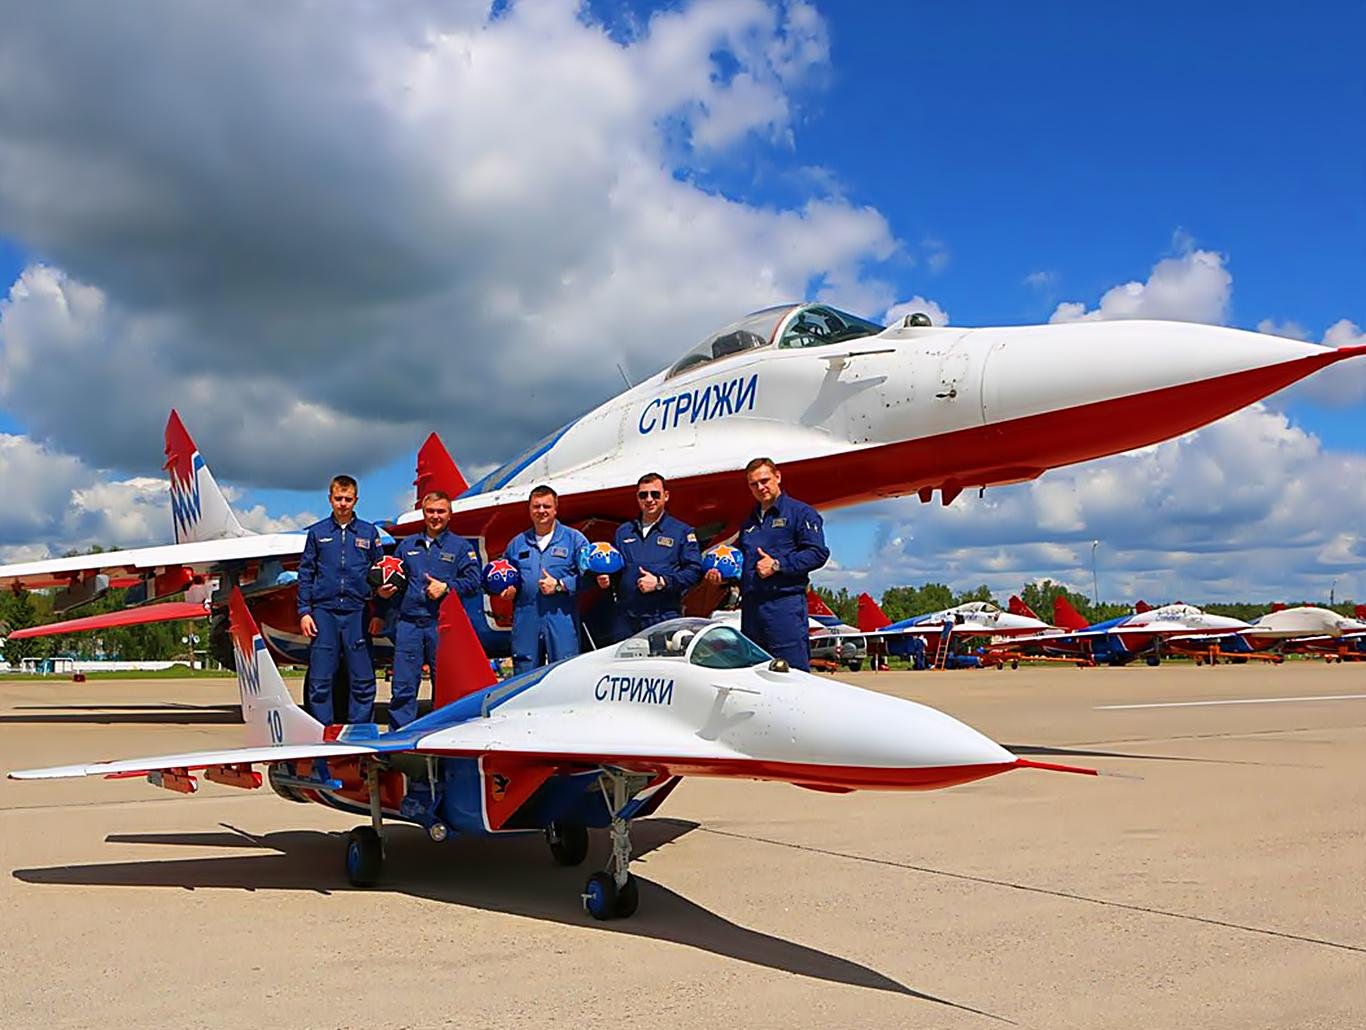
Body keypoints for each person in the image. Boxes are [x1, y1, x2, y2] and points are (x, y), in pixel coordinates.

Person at [706, 457, 829, 671]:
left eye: (765, 480)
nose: (760, 487)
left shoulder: (801, 513)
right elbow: (739, 563)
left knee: (791, 673)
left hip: (783, 607)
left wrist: (777, 565)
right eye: (754, 484)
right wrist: (722, 577)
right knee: (755, 673)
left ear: (778, 477)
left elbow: (817, 553)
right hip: (751, 610)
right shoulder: (750, 523)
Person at [372, 491, 481, 729]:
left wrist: (446, 587)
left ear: (449, 515)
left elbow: (474, 582)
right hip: (409, 624)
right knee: (403, 686)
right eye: (430, 511)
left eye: (441, 511)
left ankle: (443, 736)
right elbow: (395, 582)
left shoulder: (460, 547)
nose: (435, 516)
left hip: (441, 625)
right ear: (423, 513)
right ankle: (400, 738)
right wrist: (383, 596)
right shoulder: (407, 546)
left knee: (445, 685)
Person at [297, 475, 384, 724]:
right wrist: (304, 611)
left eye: (348, 499)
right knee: (320, 679)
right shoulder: (317, 533)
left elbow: (381, 574)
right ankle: (322, 731)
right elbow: (306, 573)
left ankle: (359, 731)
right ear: (330, 499)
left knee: (363, 679)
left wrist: (378, 613)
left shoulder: (368, 533)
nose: (343, 504)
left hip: (358, 612)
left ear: (356, 500)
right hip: (324, 613)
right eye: (338, 499)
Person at [596, 473, 703, 639]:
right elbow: (615, 569)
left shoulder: (681, 532)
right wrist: (606, 579)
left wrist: (661, 582)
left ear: (666, 496)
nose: (649, 499)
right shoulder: (623, 532)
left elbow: (694, 571)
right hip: (627, 619)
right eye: (643, 495)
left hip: (663, 617)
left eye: (655, 494)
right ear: (637, 498)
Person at [499, 486, 589, 674]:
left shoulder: (575, 540)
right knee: (524, 676)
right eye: (536, 506)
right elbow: (504, 577)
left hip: (562, 618)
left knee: (565, 672)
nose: (541, 511)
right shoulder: (517, 544)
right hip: (526, 620)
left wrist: (560, 585)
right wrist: (508, 590)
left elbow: (589, 578)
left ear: (555, 508)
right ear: (529, 509)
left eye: (546, 506)